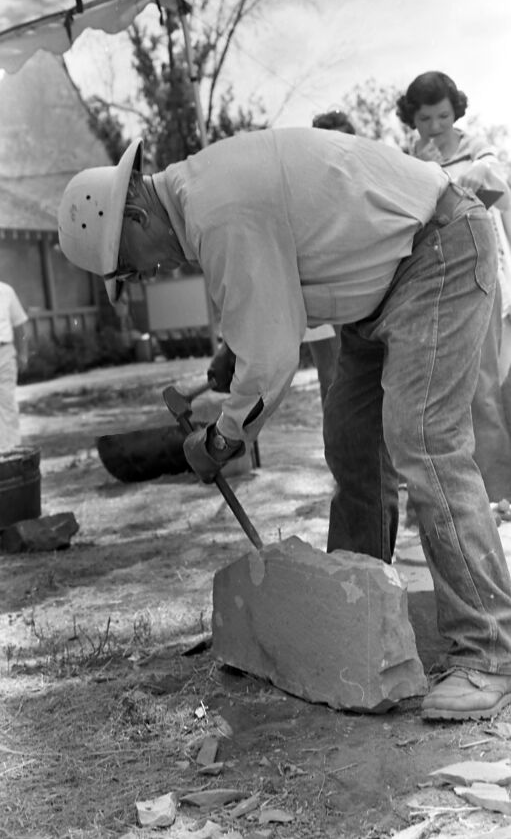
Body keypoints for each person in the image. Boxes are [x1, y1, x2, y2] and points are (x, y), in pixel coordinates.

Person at [58, 127, 511, 720]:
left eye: (131, 269)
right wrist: (228, 418)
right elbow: (265, 329)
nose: (147, 277)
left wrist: (221, 438)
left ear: (137, 215)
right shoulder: (204, 202)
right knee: (352, 449)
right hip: (382, 288)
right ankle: (353, 624)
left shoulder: (218, 210)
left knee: (424, 443)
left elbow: (269, 358)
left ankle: (488, 652)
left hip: (438, 252)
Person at [396, 71, 511, 505]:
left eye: (443, 115)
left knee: (483, 384)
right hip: (436, 279)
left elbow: (500, 191)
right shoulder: (412, 156)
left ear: (455, 110)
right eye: (425, 118)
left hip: (480, 275)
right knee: (445, 390)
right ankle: (459, 490)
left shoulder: (479, 151)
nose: (436, 126)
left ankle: (499, 492)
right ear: (414, 119)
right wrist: (419, 168)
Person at [303, 110, 356, 408]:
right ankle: (338, 452)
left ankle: (379, 452)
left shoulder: (368, 179)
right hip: (323, 295)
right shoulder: (307, 187)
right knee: (331, 376)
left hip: (363, 291)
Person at [0, 281, 29, 452]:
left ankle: (11, 451)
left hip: (4, 352)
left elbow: (19, 326)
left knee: (7, 402)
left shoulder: (5, 291)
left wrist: (23, 354)